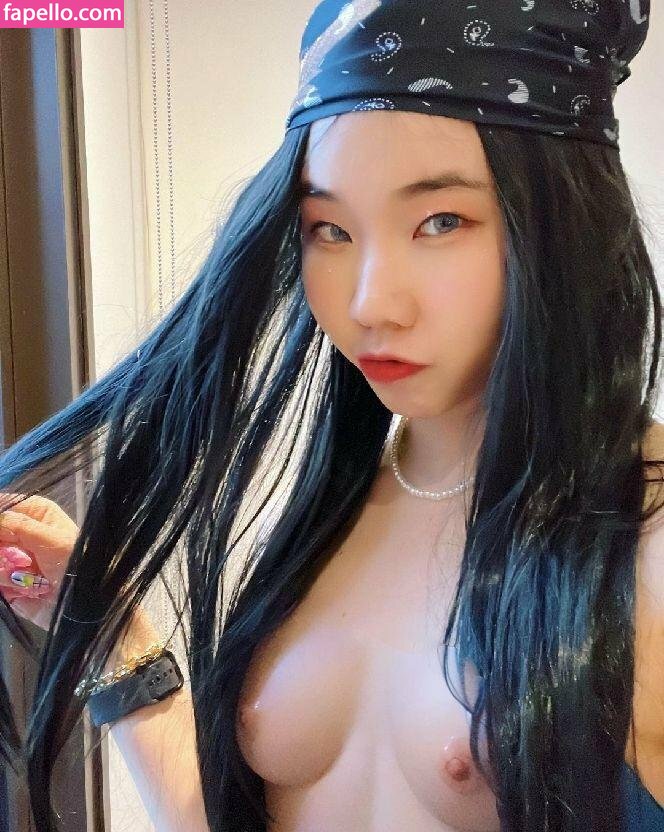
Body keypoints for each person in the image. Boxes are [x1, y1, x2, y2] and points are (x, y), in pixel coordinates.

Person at [0, 1, 662, 830]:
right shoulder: (336, 513)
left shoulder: (643, 542)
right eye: (329, 229)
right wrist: (106, 630)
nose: (369, 303)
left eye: (441, 221)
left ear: (566, 222)